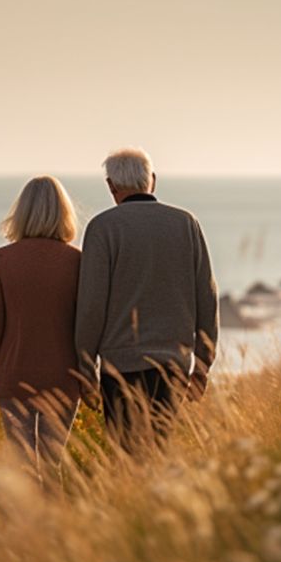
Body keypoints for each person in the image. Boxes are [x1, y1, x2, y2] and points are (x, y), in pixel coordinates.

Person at [74, 148, 218, 451]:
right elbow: (207, 297)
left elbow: (90, 307)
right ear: (152, 180)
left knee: (126, 457)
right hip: (173, 365)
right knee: (159, 453)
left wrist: (86, 370)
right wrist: (202, 366)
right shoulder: (185, 224)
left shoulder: (102, 229)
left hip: (119, 366)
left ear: (111, 186)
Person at [0, 176, 86, 463]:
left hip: (14, 377)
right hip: (64, 379)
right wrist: (90, 376)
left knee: (21, 467)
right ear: (64, 214)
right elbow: (87, 324)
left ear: (21, 212)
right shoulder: (78, 261)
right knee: (52, 465)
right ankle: (54, 510)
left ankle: (23, 511)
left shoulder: (4, 259)